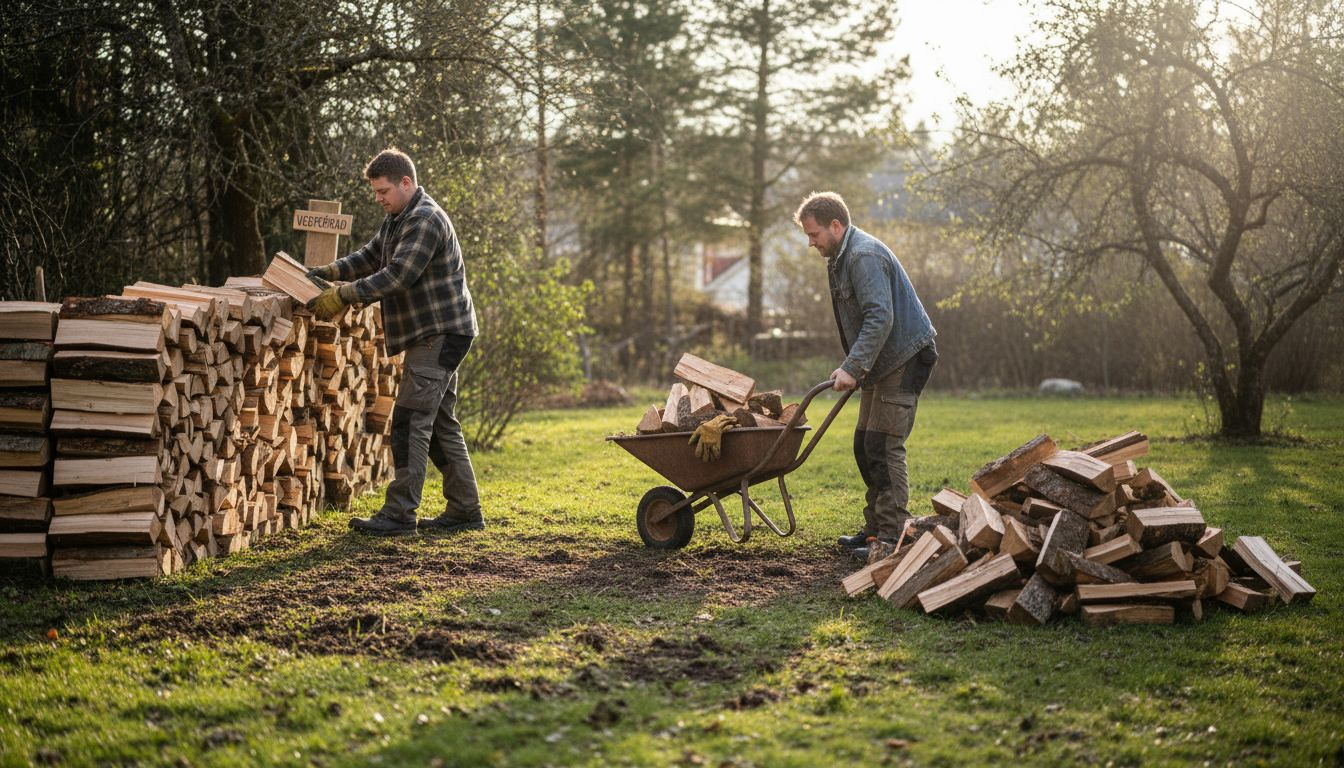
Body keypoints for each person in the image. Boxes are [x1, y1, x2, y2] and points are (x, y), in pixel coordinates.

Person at [306, 148, 484, 536]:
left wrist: (343, 295)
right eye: (375, 192)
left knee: (409, 421)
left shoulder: (424, 219)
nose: (379, 198)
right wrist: (327, 272)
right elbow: (371, 257)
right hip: (439, 333)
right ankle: (466, 510)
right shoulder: (398, 217)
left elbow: (398, 275)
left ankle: (400, 514)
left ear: (407, 182)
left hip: (441, 334)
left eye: (383, 190)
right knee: (438, 424)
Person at [794, 191, 938, 561]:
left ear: (836, 225)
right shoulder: (841, 256)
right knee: (864, 445)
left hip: (904, 357)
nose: (811, 243)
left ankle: (893, 539)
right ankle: (875, 530)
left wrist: (853, 367)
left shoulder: (862, 255)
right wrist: (855, 365)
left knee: (883, 446)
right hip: (882, 361)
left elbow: (880, 316)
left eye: (814, 234)